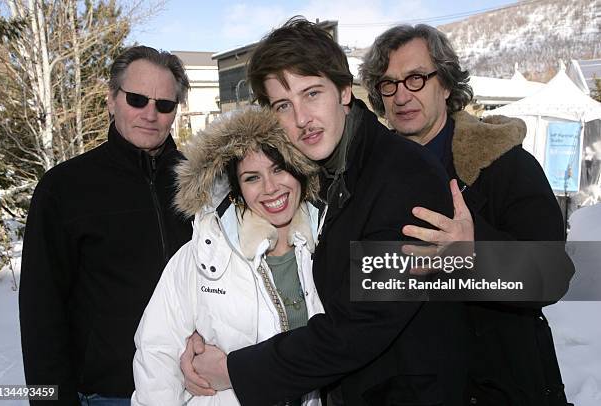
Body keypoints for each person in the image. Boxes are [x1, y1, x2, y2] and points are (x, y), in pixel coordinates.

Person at [183, 17, 470, 406]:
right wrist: (199, 335)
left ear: (344, 92)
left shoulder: (402, 178)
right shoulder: (312, 172)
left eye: (312, 93)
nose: (302, 119)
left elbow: (358, 327)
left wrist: (234, 370)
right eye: (284, 105)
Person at [359, 24, 573, 405]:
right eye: (388, 84)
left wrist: (474, 252)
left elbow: (552, 275)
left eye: (416, 78)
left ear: (445, 83)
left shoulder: (505, 165)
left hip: (497, 389)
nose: (401, 95)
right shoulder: (367, 178)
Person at [19, 46, 193, 405]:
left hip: (191, 390)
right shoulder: (64, 188)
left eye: (164, 105)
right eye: (136, 99)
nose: (150, 114)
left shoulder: (200, 181)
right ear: (112, 100)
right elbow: (41, 312)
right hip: (105, 395)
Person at [131, 107, 324, 406]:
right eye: (251, 178)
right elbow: (156, 354)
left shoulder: (329, 243)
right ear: (236, 190)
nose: (270, 188)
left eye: (278, 168)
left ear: (298, 168)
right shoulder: (201, 257)